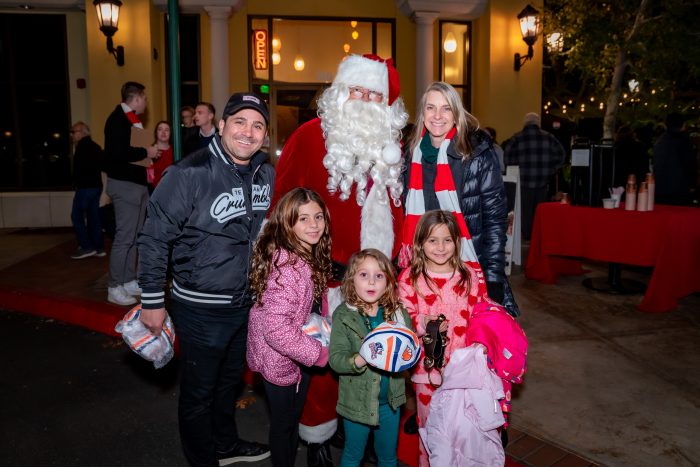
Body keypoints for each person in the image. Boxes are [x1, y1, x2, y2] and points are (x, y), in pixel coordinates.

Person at [271, 54, 408, 465]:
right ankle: (316, 437)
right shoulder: (310, 137)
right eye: (357, 90)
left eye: (374, 93)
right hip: (323, 276)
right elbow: (282, 203)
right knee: (324, 366)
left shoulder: (393, 147)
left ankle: (359, 435)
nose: (365, 99)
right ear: (340, 93)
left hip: (378, 279)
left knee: (375, 363)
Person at [137, 92, 273, 467]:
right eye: (240, 122)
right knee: (199, 393)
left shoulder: (266, 172)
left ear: (265, 134)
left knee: (229, 384)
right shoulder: (187, 173)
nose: (248, 132)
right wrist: (151, 299)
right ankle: (202, 459)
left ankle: (225, 446)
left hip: (244, 304)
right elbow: (153, 237)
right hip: (199, 307)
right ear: (223, 125)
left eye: (258, 125)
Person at [402, 81, 519, 317]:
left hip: (467, 269)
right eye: (430, 108)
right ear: (422, 114)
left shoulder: (477, 155)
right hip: (423, 272)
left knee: (465, 345)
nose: (437, 116)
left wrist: (494, 277)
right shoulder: (411, 155)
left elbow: (495, 222)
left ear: (457, 115)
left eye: (446, 108)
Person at [247, 188, 333, 467]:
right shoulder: (287, 268)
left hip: (293, 354)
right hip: (279, 359)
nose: (314, 225)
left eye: (318, 217)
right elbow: (276, 329)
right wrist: (318, 353)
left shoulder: (303, 254)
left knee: (291, 419)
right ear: (287, 222)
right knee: (284, 425)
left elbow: (304, 304)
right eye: (304, 219)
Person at [397, 210, 491, 466]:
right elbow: (403, 317)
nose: (440, 247)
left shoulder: (470, 275)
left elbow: (481, 313)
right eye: (432, 240)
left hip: (464, 368)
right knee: (429, 427)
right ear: (420, 243)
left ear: (457, 242)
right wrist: (423, 323)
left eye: (447, 240)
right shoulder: (409, 278)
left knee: (462, 426)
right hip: (427, 370)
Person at [329, 248, 413, 467]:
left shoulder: (397, 313)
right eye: (363, 274)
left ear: (388, 281)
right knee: (352, 455)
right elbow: (335, 359)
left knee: (387, 457)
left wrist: (409, 354)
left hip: (390, 403)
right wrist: (360, 358)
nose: (371, 282)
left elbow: (411, 350)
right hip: (356, 403)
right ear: (351, 280)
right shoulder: (344, 315)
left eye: (379, 275)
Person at [103, 81, 160, 306]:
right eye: (144, 98)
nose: (146, 102)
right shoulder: (117, 119)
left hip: (136, 184)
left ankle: (127, 281)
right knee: (124, 238)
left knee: (135, 238)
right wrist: (147, 150)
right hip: (124, 185)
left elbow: (131, 153)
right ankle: (114, 286)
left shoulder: (131, 120)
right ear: (135, 98)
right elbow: (117, 153)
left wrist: (147, 154)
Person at [504, 112, 565, 240]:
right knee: (541, 211)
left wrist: (516, 169)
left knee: (525, 212)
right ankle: (540, 238)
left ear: (525, 123)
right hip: (543, 181)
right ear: (538, 123)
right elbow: (561, 155)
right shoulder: (549, 137)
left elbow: (507, 158)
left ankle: (527, 238)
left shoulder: (516, 138)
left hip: (523, 181)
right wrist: (552, 169)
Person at [69, 121, 106, 259]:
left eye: (74, 131)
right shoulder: (95, 146)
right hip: (96, 187)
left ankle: (86, 246)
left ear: (83, 132)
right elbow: (104, 164)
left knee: (76, 216)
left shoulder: (82, 147)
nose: (72, 135)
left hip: (85, 188)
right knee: (93, 217)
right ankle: (99, 248)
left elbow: (79, 171)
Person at [653, 113, 698, 206]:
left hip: (660, 188)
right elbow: (690, 164)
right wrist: (692, 184)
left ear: (665, 125)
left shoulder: (660, 141)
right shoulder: (684, 141)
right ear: (683, 125)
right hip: (680, 189)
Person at [149, 121, 174, 189]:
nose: (163, 132)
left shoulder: (176, 151)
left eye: (167, 130)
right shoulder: (149, 151)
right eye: (160, 129)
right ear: (156, 133)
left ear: (170, 133)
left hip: (173, 190)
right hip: (154, 191)